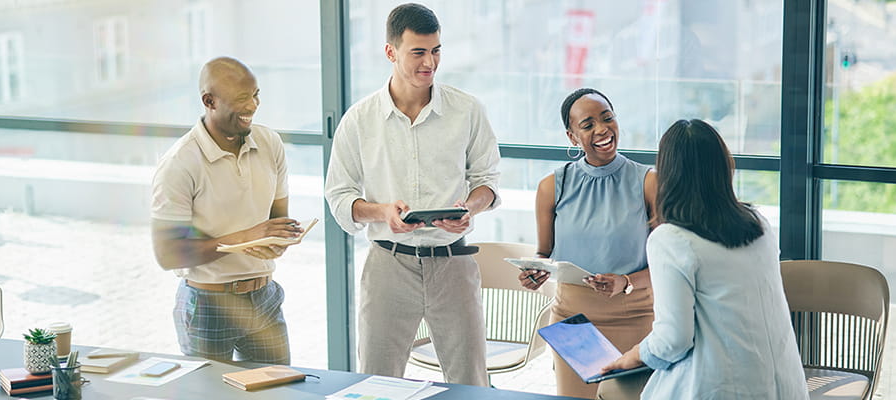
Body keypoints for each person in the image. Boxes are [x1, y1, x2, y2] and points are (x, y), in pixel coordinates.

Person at [324, 3, 501, 387]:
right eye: (418, 52)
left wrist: (468, 208)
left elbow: (487, 181)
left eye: (436, 50)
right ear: (390, 52)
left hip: (453, 263)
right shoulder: (359, 119)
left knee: (471, 382)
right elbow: (339, 195)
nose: (430, 63)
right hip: (389, 265)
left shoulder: (467, 110)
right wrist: (382, 212)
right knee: (376, 383)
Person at [601, 119, 808, 399]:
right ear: (724, 166)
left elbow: (673, 339)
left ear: (668, 174)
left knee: (612, 389)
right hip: (785, 387)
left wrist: (633, 355)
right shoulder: (758, 224)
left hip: (721, 387)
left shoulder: (671, 240)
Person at [151, 57, 304, 364]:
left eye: (256, 94)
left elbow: (276, 221)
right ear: (209, 101)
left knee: (279, 393)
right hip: (208, 304)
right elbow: (168, 253)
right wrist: (248, 237)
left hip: (265, 298)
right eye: (241, 99)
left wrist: (278, 239)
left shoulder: (270, 142)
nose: (253, 106)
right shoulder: (180, 163)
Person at [517, 88, 658, 398]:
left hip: (634, 317)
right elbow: (544, 253)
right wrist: (537, 271)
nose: (602, 129)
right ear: (572, 137)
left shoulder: (648, 182)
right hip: (573, 320)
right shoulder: (552, 185)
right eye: (588, 124)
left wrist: (626, 281)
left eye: (607, 118)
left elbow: (668, 265)